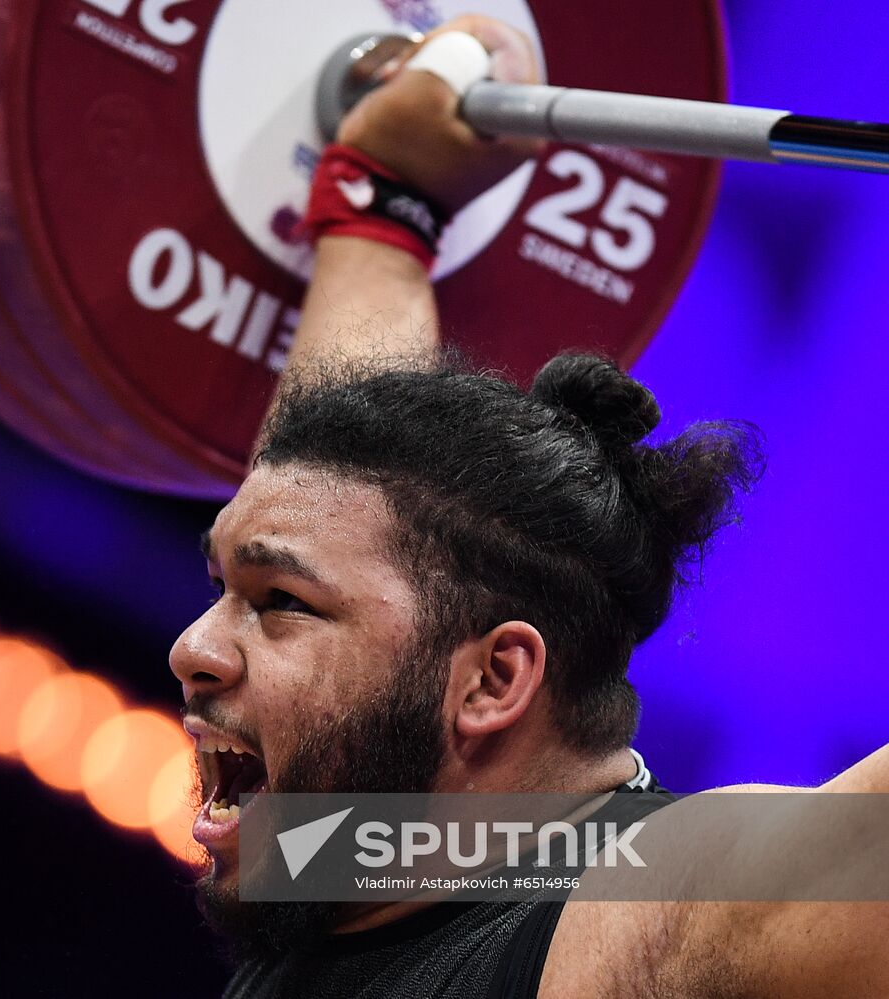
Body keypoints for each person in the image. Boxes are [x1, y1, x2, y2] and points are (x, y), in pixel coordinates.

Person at [168, 14, 889, 998]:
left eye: (276, 604)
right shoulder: (346, 852)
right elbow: (329, 493)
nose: (190, 648)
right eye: (222, 584)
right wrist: (381, 211)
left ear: (491, 681)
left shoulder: (647, 921)